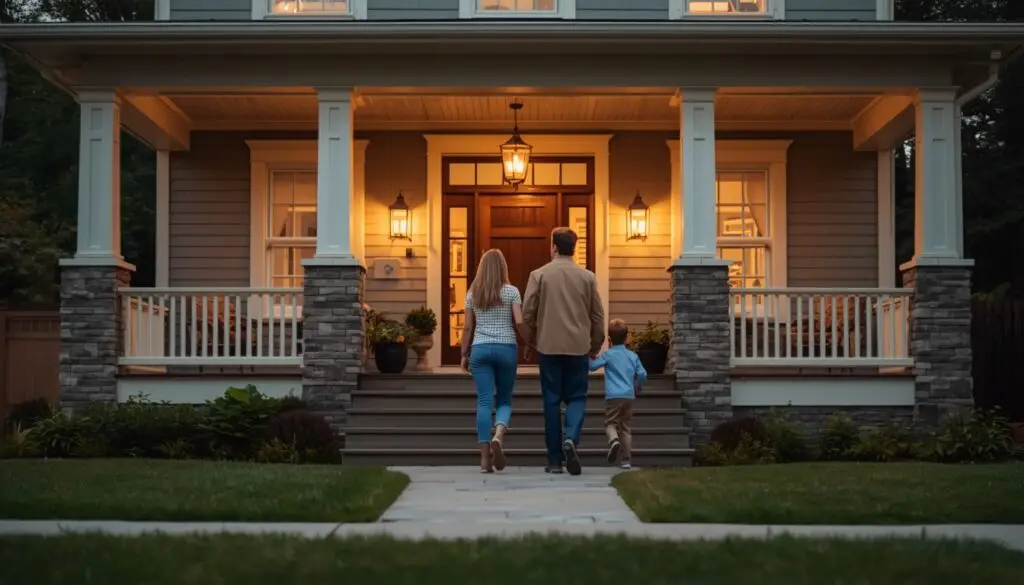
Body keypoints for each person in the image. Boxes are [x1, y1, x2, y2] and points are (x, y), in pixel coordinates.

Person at [522, 227, 605, 476]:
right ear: (573, 247)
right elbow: (597, 316)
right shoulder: (587, 277)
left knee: (551, 401)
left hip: (548, 346)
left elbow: (527, 312)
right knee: (577, 397)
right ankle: (571, 437)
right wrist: (595, 344)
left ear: (554, 247)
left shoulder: (539, 275)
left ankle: (555, 461)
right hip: (578, 347)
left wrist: (529, 341)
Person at [461, 249, 523, 473]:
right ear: (503, 268)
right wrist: (528, 341)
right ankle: (499, 434)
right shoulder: (512, 292)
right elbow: (519, 321)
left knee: (484, 402)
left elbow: (468, 327)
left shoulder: (472, 293)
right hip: (506, 348)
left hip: (479, 349)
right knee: (504, 400)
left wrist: (463, 354)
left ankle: (484, 460)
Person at [589, 319, 647, 470]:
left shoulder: (608, 355)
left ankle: (613, 441)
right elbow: (642, 374)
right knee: (626, 427)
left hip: (613, 396)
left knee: (610, 423)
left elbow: (592, 367)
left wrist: (590, 356)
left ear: (609, 339)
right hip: (628, 395)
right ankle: (626, 460)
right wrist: (637, 386)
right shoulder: (633, 356)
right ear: (626, 337)